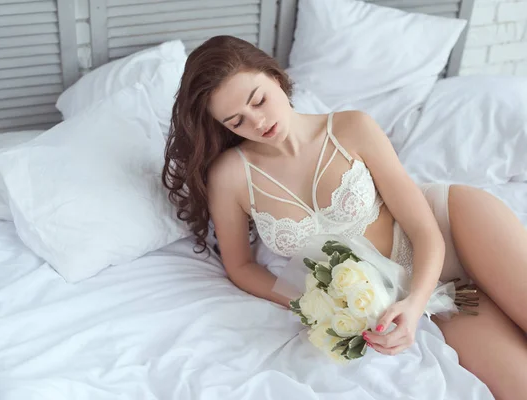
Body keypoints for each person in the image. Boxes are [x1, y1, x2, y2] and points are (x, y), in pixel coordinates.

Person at [161, 35, 527, 399]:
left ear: (274, 77)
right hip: (444, 296)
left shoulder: (351, 128)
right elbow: (240, 266)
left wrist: (413, 306)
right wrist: (316, 305)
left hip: (456, 229)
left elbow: (424, 229)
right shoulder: (230, 177)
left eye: (259, 100)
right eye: (236, 121)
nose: (257, 121)